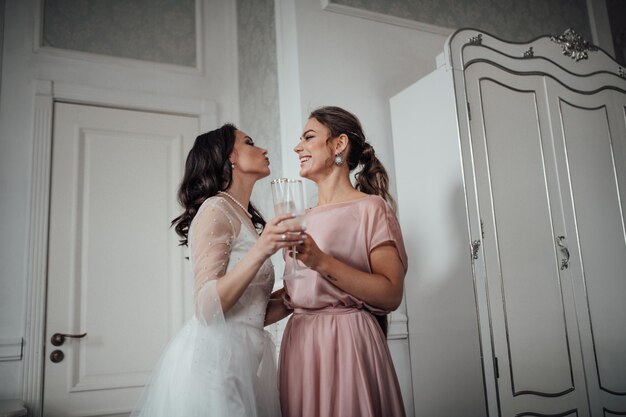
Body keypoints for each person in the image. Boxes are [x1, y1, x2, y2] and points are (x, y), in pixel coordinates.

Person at [131, 124, 302, 417]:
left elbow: (252, 313)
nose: (264, 149)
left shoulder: (244, 216)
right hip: (213, 367)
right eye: (249, 143)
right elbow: (207, 308)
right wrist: (263, 248)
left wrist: (295, 296)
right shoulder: (215, 209)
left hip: (244, 363)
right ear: (229, 158)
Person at [278, 106, 408, 417]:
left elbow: (391, 293)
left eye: (309, 137)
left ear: (338, 145)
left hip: (348, 342)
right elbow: (293, 297)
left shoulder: (371, 209)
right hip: (300, 346)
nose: (298, 147)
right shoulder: (301, 219)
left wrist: (320, 260)